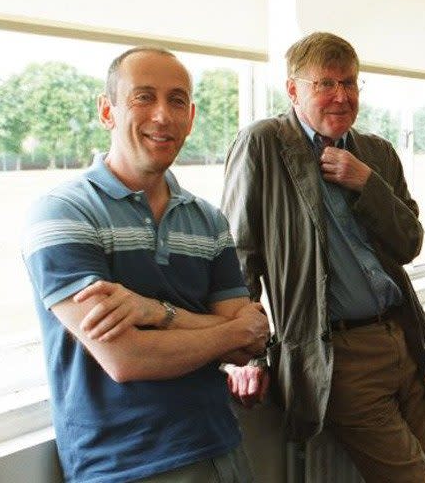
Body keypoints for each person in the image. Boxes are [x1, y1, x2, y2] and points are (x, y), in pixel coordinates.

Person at [22, 46, 270, 483]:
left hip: (223, 448)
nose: (162, 115)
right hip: (123, 464)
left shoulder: (208, 220)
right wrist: (227, 329)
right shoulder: (62, 212)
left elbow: (248, 346)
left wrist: (156, 313)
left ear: (191, 117)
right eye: (143, 97)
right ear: (107, 111)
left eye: (177, 100)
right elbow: (126, 357)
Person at [221, 32, 425, 483]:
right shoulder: (262, 144)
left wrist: (368, 184)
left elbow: (410, 243)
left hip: (405, 339)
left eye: (351, 83)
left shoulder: (376, 151)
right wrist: (244, 354)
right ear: (293, 89)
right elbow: (238, 255)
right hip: (339, 356)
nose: (341, 96)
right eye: (325, 84)